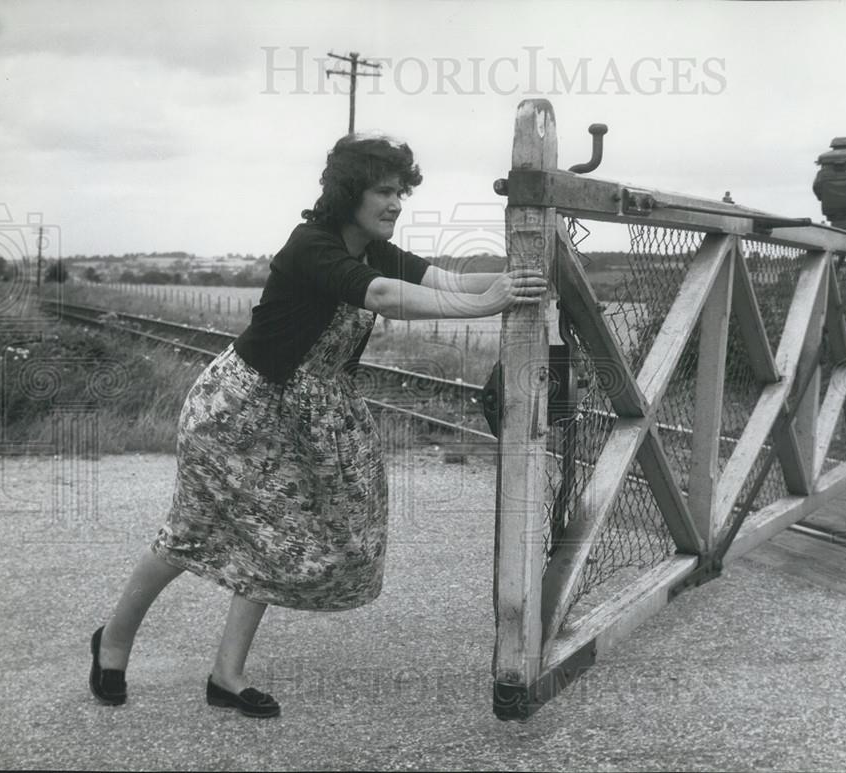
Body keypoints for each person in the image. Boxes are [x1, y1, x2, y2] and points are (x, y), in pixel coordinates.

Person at [88, 134, 547, 718]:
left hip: (305, 416)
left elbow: (445, 283)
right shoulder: (314, 245)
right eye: (384, 190)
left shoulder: (375, 248)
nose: (396, 202)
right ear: (349, 192)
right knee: (191, 533)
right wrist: (485, 307)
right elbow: (384, 297)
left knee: (279, 542)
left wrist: (520, 281)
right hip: (238, 412)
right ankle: (114, 641)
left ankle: (225, 678)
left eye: (400, 191)